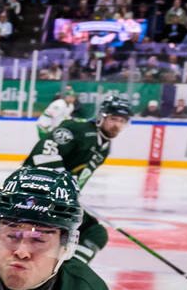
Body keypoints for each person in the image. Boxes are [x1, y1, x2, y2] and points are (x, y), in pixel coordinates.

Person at [19, 90, 132, 262]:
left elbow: (78, 178)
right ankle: (70, 272)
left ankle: (70, 270)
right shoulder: (76, 129)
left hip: (57, 200)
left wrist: (71, 195)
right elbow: (42, 154)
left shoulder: (104, 147)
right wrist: (62, 187)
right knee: (92, 231)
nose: (117, 125)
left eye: (122, 121)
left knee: (95, 233)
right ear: (102, 117)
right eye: (113, 119)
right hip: (34, 194)